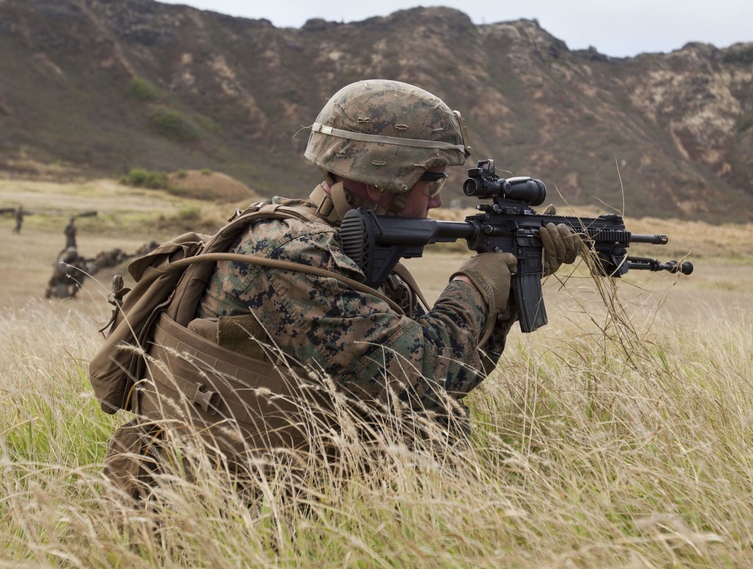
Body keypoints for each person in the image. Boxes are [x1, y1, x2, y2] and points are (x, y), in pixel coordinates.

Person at [102, 79, 581, 496]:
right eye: (430, 180)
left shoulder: (342, 245)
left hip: (257, 484)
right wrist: (478, 282)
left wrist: (512, 288)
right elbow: (423, 376)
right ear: (382, 178)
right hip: (220, 506)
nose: (437, 198)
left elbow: (450, 380)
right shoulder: (293, 256)